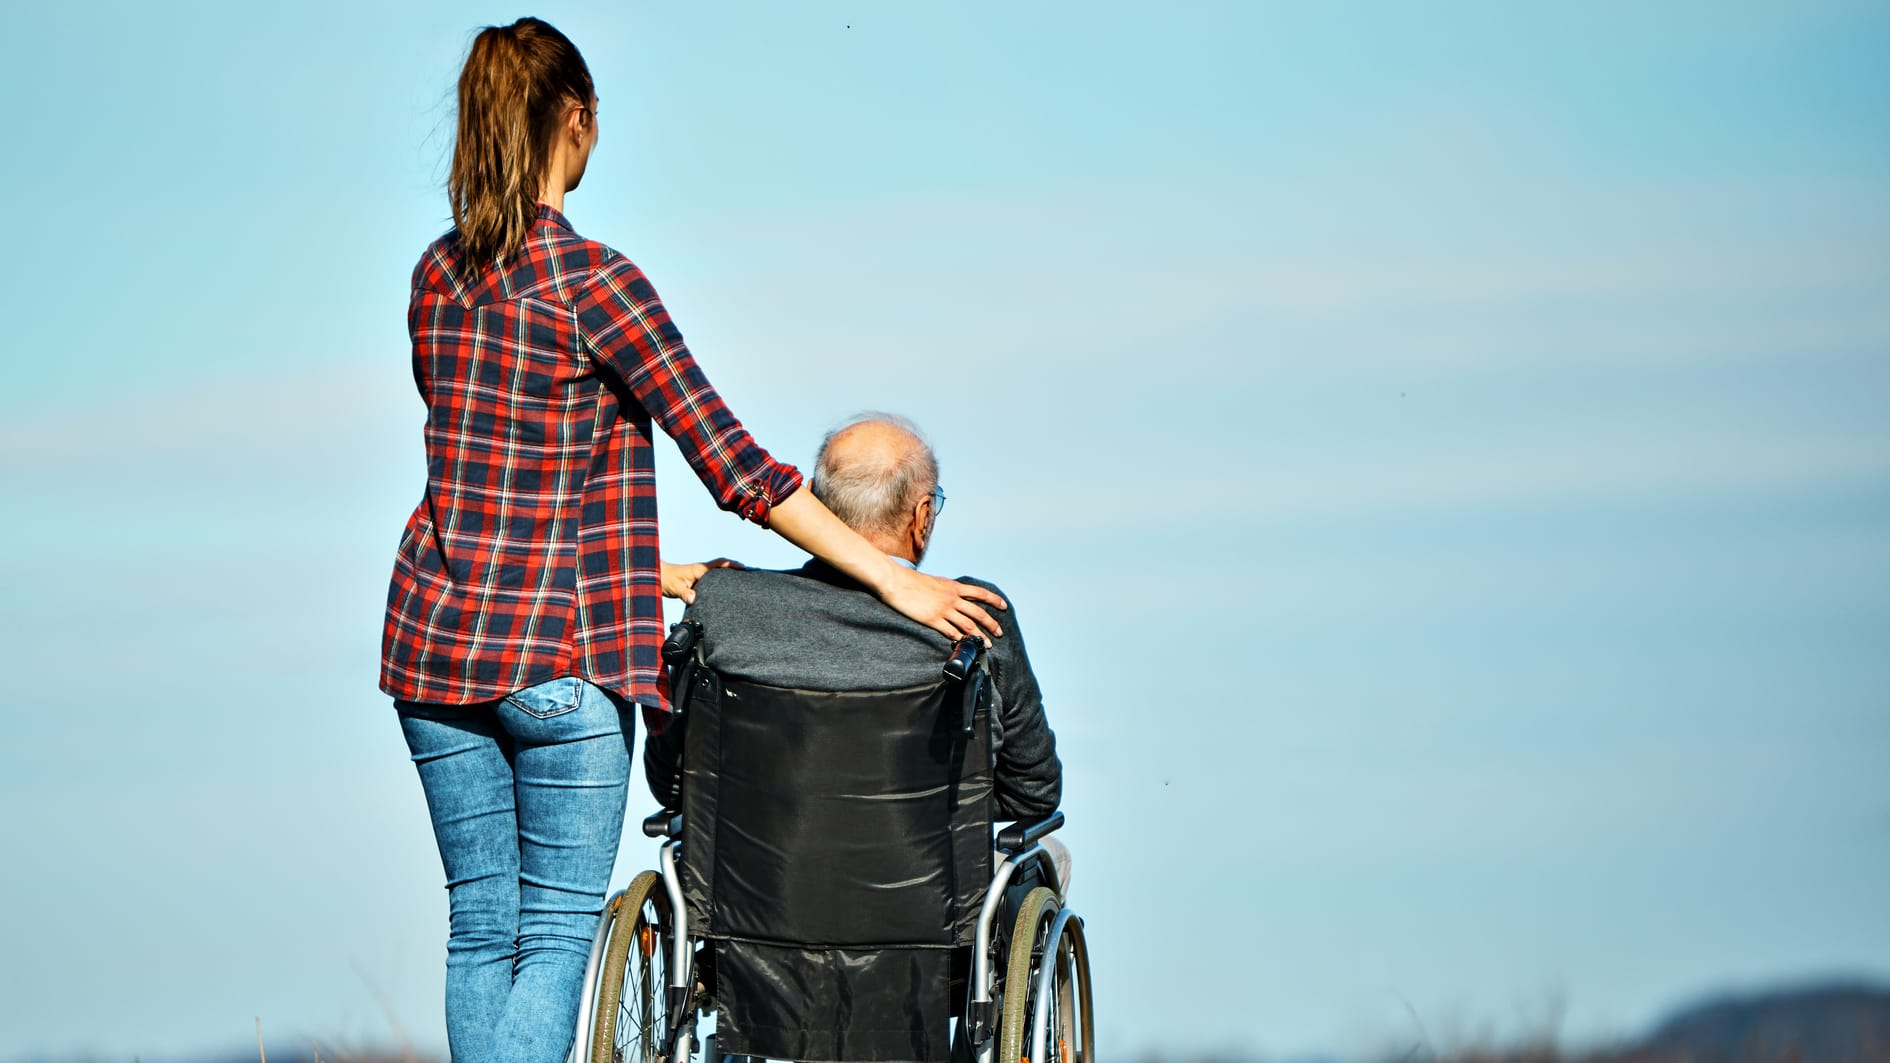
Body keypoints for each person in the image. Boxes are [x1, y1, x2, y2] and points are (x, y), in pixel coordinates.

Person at [378, 20, 1008, 1063]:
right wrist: (894, 581)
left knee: (481, 925)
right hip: (560, 657)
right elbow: (741, 472)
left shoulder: (435, 279)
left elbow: (498, 482)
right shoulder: (596, 284)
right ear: (574, 123)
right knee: (550, 933)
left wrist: (656, 571)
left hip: (434, 642)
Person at [645, 413, 1066, 1059]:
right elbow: (1035, 792)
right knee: (1046, 860)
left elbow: (674, 782)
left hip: (747, 929)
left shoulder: (724, 606)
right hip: (932, 944)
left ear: (814, 508)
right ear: (922, 515)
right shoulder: (973, 615)